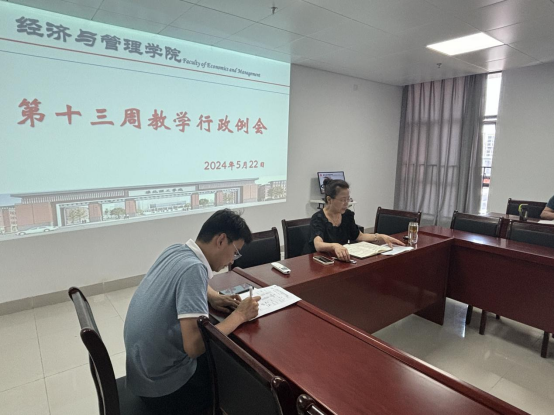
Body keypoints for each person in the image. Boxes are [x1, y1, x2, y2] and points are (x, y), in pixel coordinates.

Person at [124, 209, 261, 415]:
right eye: (235, 252)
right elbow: (195, 347)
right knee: (239, 381)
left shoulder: (176, 251)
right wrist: (240, 315)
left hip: (142, 371)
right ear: (221, 240)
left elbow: (192, 281)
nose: (232, 261)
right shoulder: (194, 269)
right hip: (163, 388)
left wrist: (212, 295)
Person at [304, 179, 405, 261]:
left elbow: (359, 236)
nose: (346, 203)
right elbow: (318, 245)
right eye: (342, 200)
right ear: (329, 200)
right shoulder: (318, 218)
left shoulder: (347, 215)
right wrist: (335, 246)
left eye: (348, 199)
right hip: (321, 262)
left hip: (341, 259)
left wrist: (381, 236)